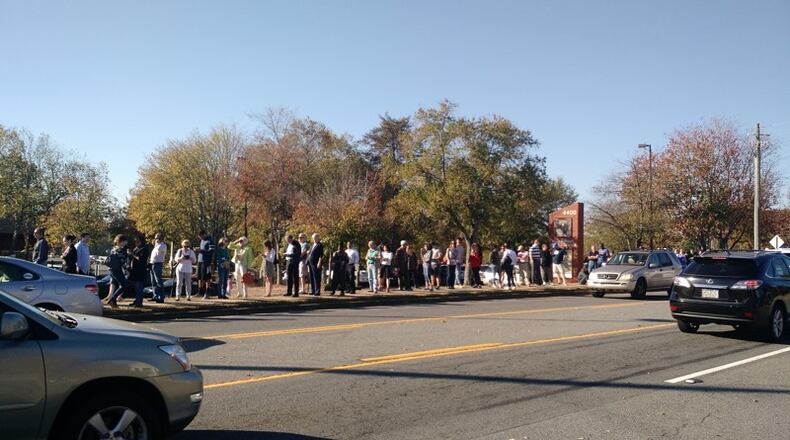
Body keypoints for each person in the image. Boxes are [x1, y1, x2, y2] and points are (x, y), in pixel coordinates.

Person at [106, 235, 130, 308]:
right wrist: (127, 269)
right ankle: (112, 299)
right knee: (123, 285)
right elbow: (122, 261)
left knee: (116, 284)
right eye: (125, 241)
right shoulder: (120, 250)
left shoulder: (113, 249)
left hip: (112, 269)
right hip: (117, 270)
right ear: (121, 241)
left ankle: (113, 301)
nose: (126, 243)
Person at [128, 235, 150, 307]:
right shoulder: (136, 248)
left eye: (137, 242)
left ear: (141, 242)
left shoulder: (144, 249)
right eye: (135, 242)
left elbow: (141, 259)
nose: (136, 243)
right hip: (134, 270)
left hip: (140, 270)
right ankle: (136, 300)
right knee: (135, 287)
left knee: (139, 286)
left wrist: (133, 254)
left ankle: (139, 302)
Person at [196, 230, 215, 299]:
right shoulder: (202, 241)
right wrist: (198, 250)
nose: (200, 238)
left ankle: (207, 293)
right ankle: (199, 292)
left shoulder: (210, 241)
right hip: (200, 260)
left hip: (207, 261)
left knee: (207, 277)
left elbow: (211, 251)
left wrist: (201, 251)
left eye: (201, 236)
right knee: (199, 277)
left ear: (204, 234)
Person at [149, 233, 167, 303]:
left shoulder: (162, 245)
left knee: (158, 281)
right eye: (156, 238)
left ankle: (161, 297)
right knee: (153, 281)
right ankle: (155, 295)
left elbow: (160, 252)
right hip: (152, 263)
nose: (156, 239)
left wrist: (156, 244)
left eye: (158, 238)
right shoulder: (156, 246)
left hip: (158, 263)